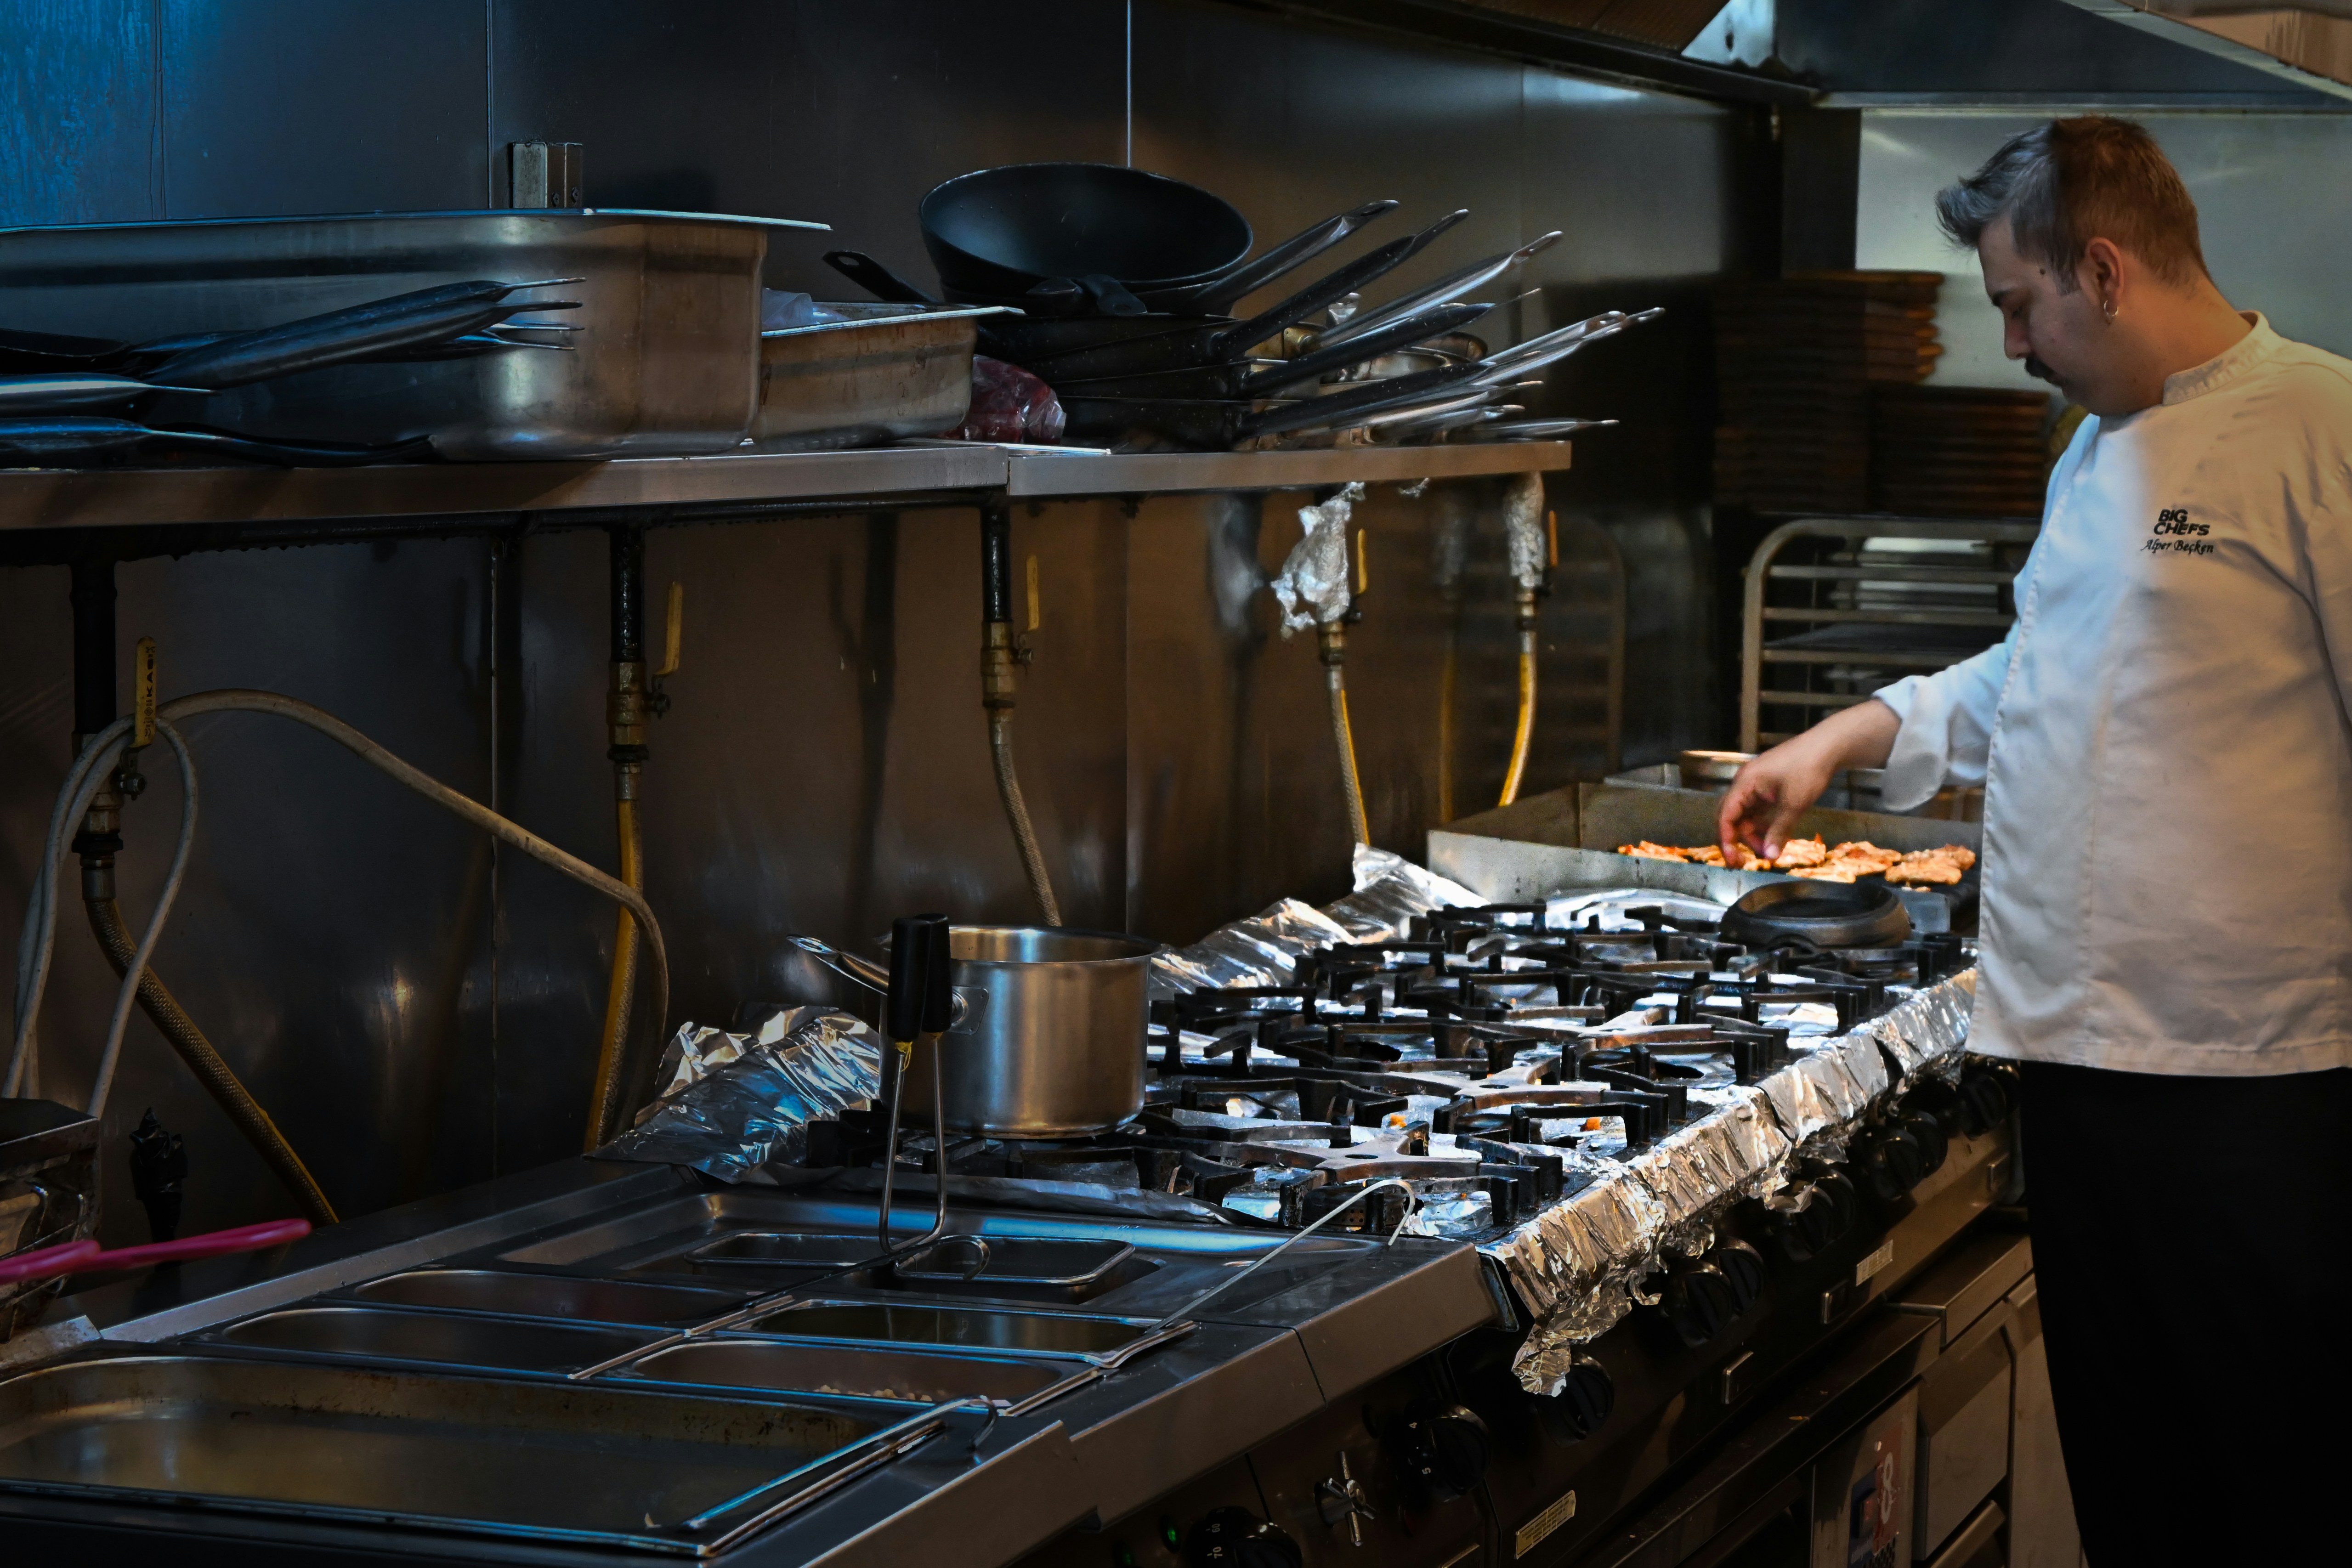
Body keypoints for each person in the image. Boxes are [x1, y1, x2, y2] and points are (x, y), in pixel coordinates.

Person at [1717, 117, 2350, 1567]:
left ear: (2107, 272)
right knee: (2141, 1486)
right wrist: (1843, 735)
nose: (2008, 345)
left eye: (2018, 304)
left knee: (2283, 1493)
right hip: (2078, 1065)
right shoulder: (2090, 454)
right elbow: (2041, 677)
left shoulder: (2322, 428)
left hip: (2260, 1087)